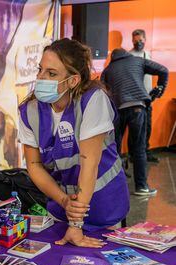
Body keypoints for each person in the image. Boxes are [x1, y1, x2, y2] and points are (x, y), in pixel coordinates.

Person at [19, 38, 129, 248]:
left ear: (73, 80)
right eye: (40, 70)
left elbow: (90, 164)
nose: (41, 78)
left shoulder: (92, 101)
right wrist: (63, 201)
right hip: (62, 208)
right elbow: (33, 165)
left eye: (52, 74)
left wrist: (76, 223)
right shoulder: (29, 111)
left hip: (103, 205)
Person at [101, 48, 168, 196]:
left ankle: (115, 185)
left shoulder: (108, 69)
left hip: (117, 110)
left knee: (115, 149)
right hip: (137, 107)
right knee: (139, 148)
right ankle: (141, 187)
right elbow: (163, 70)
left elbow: (102, 91)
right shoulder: (138, 61)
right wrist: (159, 89)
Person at [129, 29, 161, 163]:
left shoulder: (148, 55)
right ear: (132, 41)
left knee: (147, 127)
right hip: (135, 99)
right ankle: (132, 154)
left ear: (145, 40)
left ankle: (146, 152)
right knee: (134, 129)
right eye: (136, 41)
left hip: (147, 97)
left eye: (141, 40)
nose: (138, 43)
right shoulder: (129, 56)